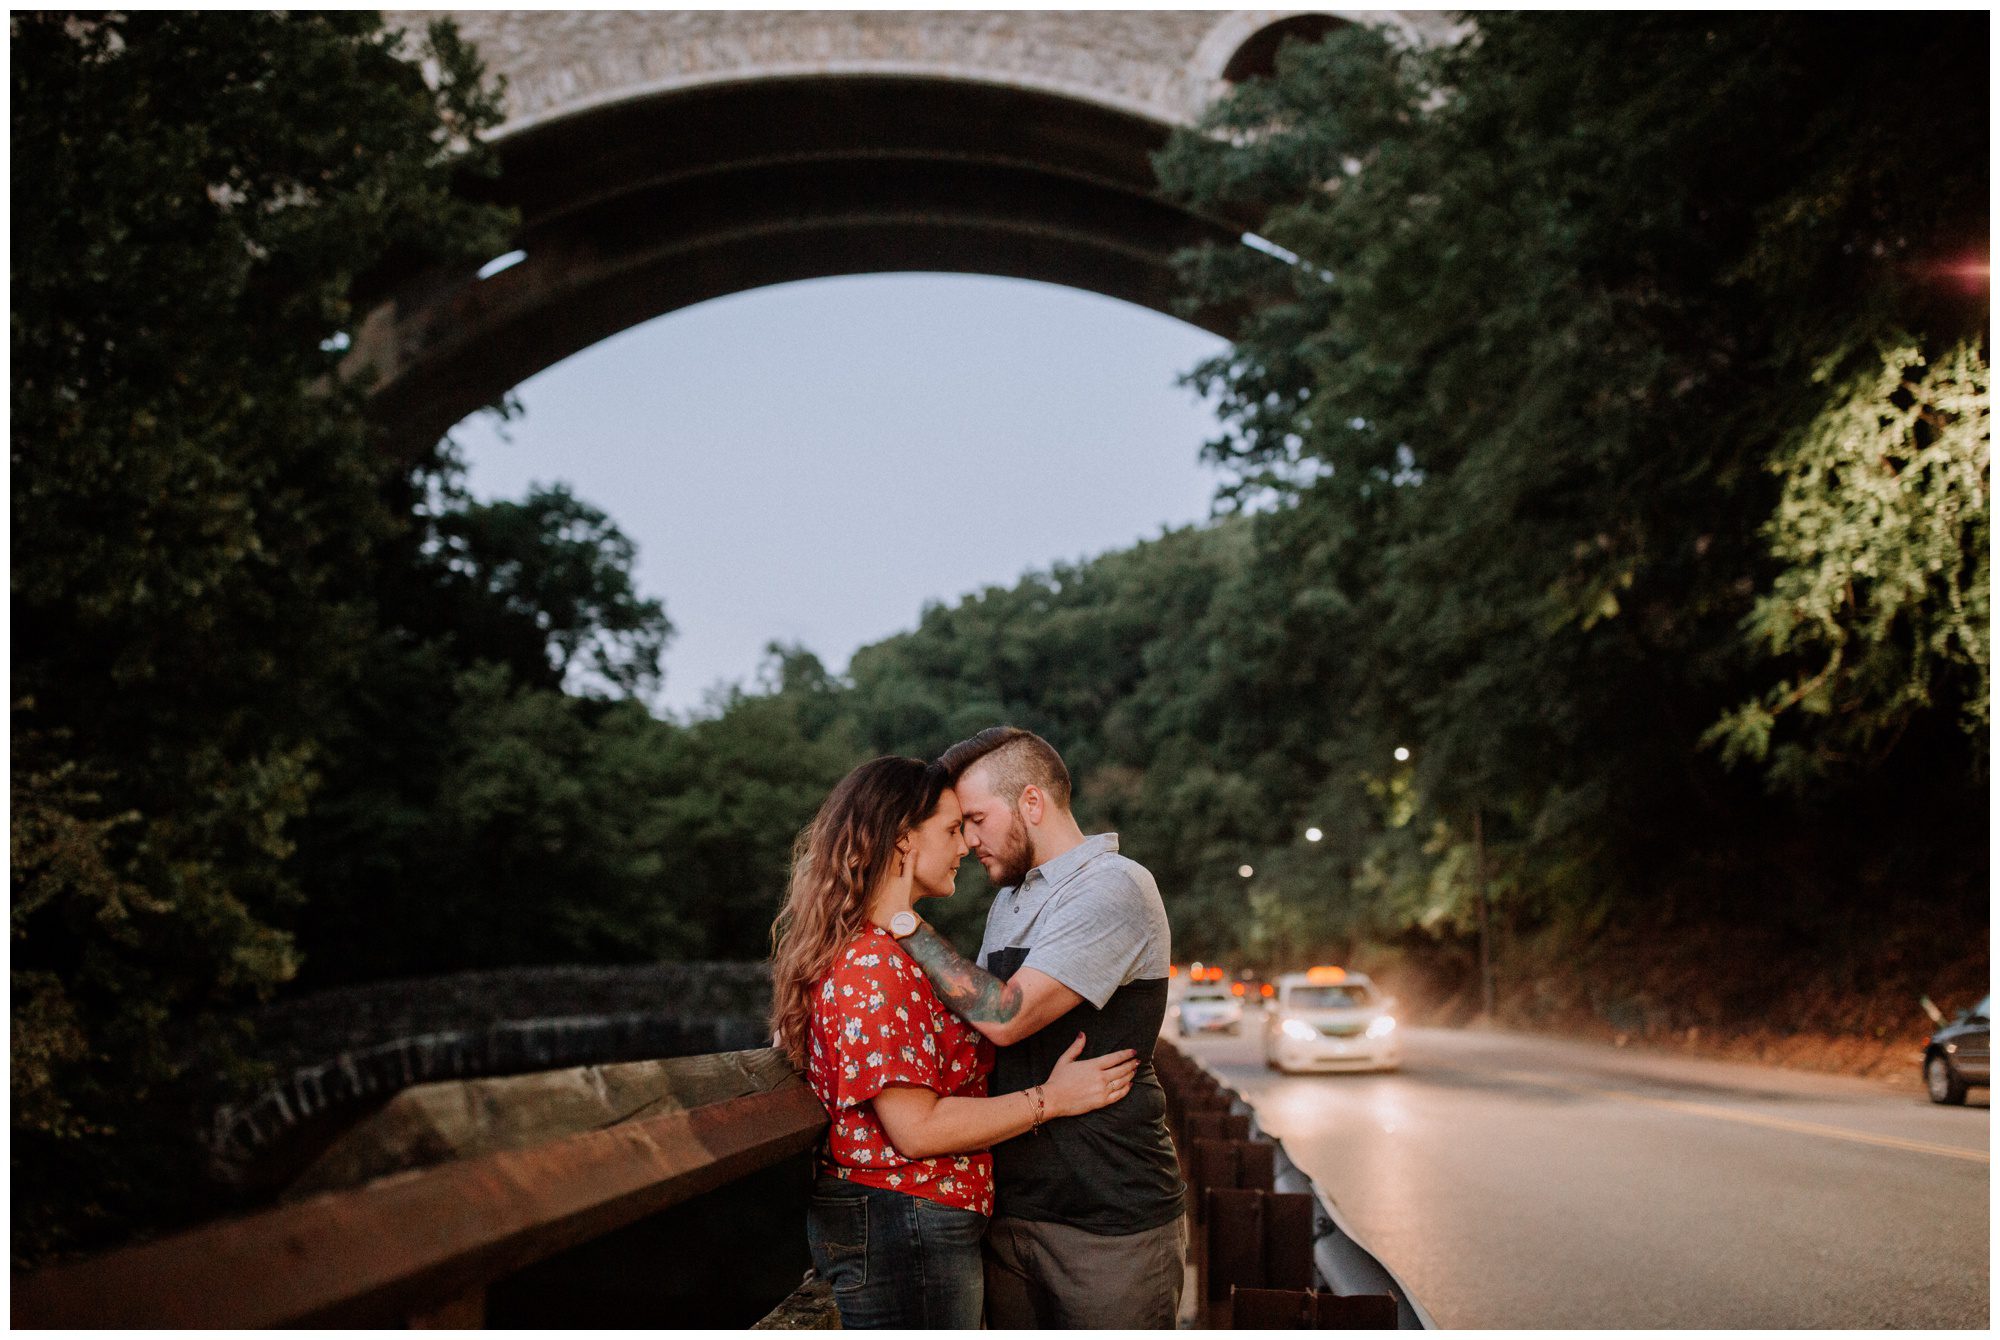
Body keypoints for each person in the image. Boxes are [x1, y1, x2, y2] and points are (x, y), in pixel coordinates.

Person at [768, 755, 1140, 1329]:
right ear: (902, 842)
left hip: (909, 1217)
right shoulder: (875, 968)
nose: (965, 845)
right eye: (949, 829)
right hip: (904, 1216)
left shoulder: (885, 951)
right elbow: (917, 1132)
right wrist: (1053, 1099)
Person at [895, 727, 1187, 1329]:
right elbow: (969, 1021)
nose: (969, 839)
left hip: (1108, 1219)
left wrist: (901, 921)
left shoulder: (1114, 886)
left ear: (1032, 803)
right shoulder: (1011, 899)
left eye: (975, 818)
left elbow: (1003, 1016)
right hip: (1012, 1208)